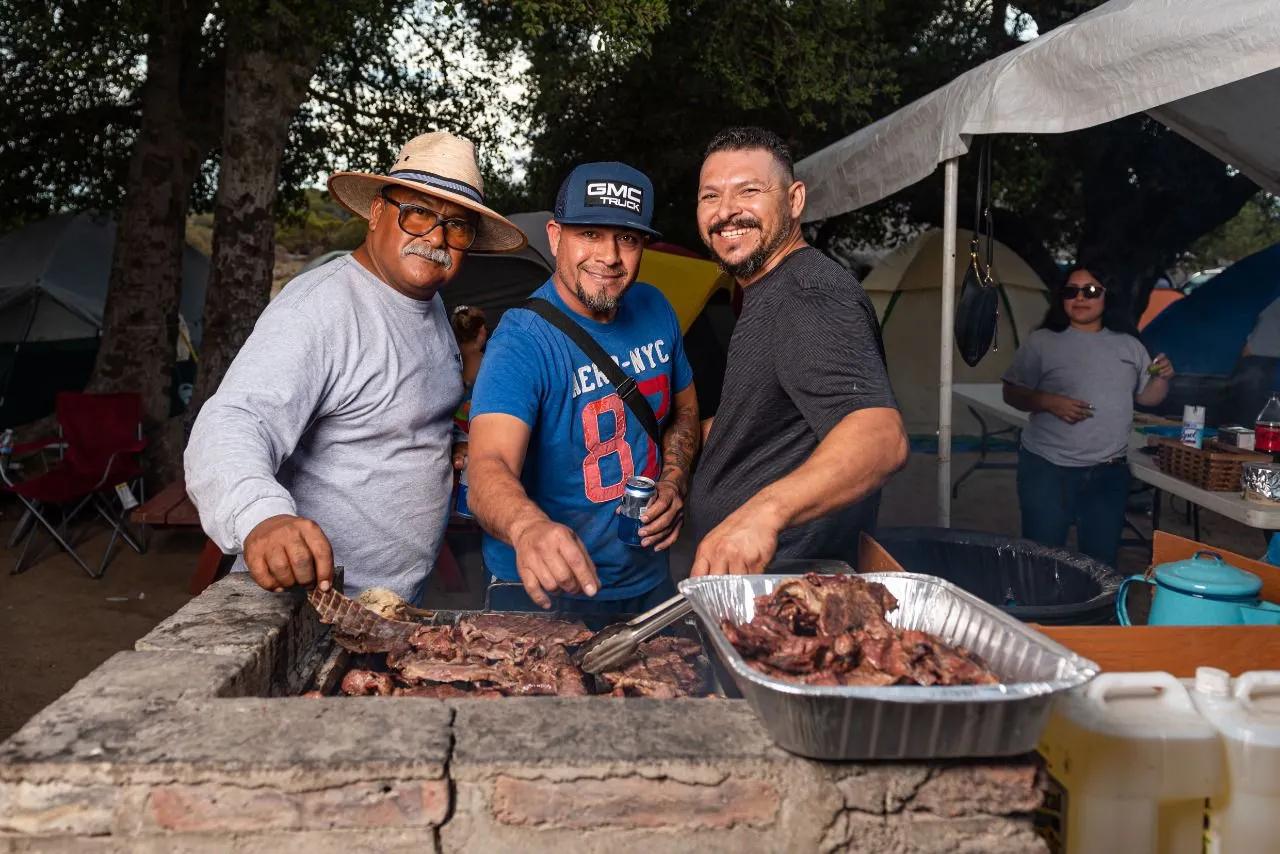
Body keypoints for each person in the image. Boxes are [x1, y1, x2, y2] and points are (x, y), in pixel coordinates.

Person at [185, 131, 527, 604]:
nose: (435, 237)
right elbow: (235, 419)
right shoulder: (319, 309)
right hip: (314, 606)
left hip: (393, 604)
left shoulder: (430, 306)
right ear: (378, 212)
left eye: (456, 226)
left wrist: (449, 442)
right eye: (418, 212)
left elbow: (395, 407)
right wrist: (262, 515)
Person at [467, 162, 700, 611]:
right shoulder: (522, 340)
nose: (610, 256)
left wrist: (674, 482)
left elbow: (685, 410)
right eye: (589, 234)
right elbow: (486, 467)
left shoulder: (656, 307)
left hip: (647, 578)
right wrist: (527, 527)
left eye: (627, 239)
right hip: (543, 588)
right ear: (556, 237)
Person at [686, 127, 908, 576]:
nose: (726, 211)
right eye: (711, 196)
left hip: (788, 584)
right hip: (754, 577)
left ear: (794, 200)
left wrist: (761, 515)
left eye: (749, 191)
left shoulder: (808, 293)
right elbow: (768, 424)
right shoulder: (770, 290)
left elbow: (881, 437)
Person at [1002, 264, 1174, 568]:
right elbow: (1012, 393)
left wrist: (1161, 379)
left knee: (1100, 563)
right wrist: (1048, 401)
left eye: (1091, 291)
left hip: (1108, 472)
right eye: (1071, 291)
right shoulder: (1042, 342)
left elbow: (1147, 397)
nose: (1080, 298)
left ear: (1107, 296)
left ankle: (1093, 602)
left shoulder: (1129, 345)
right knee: (1041, 558)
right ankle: (1041, 601)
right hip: (1048, 468)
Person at [449, 304, 487, 473]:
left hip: (453, 423)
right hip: (474, 425)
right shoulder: (484, 360)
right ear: (481, 331)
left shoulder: (452, 355)